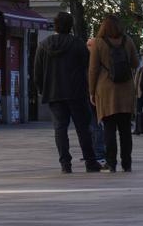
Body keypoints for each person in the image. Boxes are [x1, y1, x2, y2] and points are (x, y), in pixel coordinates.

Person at [33, 11, 102, 173]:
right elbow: (88, 67)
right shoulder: (77, 44)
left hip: (54, 93)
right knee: (83, 128)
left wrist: (43, 90)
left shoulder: (43, 45)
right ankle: (90, 162)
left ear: (55, 26)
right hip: (76, 92)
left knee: (60, 129)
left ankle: (65, 164)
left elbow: (37, 72)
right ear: (70, 26)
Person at [88, 15, 139, 172]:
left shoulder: (98, 43)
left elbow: (93, 69)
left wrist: (91, 91)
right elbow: (135, 63)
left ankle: (111, 163)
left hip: (106, 90)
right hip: (125, 89)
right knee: (125, 130)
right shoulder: (127, 40)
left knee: (109, 128)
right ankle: (127, 163)